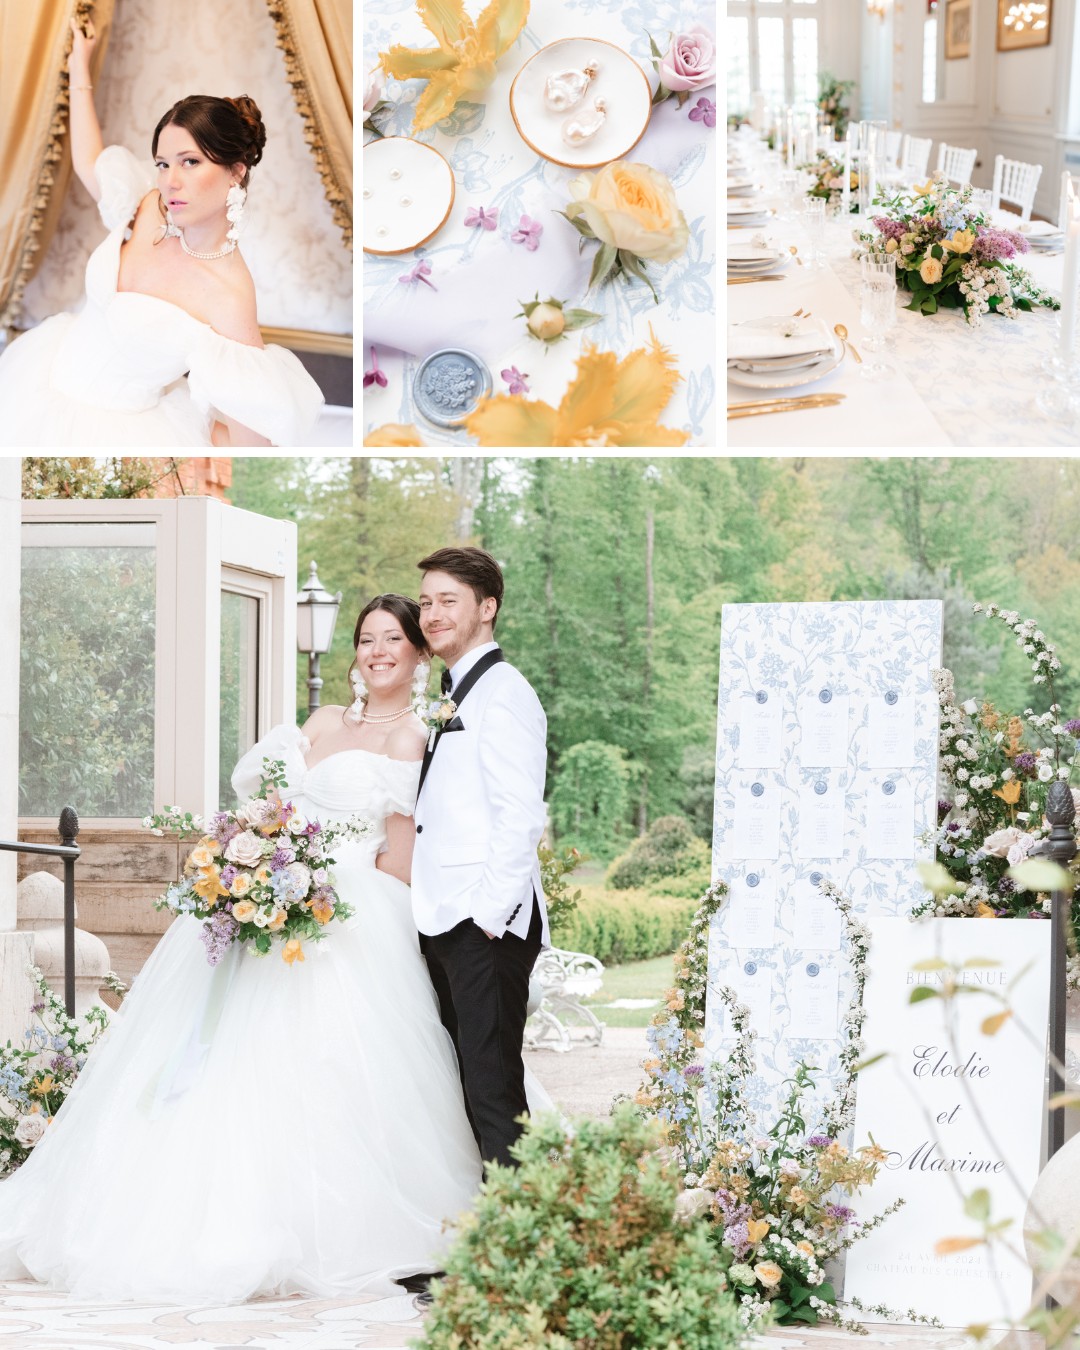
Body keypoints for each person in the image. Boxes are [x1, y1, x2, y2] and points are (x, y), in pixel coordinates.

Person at [0, 595, 485, 1302]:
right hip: (266, 895)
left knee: (322, 1059)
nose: (378, 651)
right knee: (206, 1051)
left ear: (416, 652)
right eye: (367, 639)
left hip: (348, 912)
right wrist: (254, 864)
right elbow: (275, 804)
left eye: (393, 639)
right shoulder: (321, 722)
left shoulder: (414, 736)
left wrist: (333, 897)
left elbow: (399, 858)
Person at [0, 19, 323, 448]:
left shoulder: (228, 295)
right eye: (163, 163)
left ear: (235, 172)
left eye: (190, 162)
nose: (171, 180)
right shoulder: (148, 205)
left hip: (117, 435)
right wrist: (80, 64)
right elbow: (89, 161)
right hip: (35, 379)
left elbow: (254, 441)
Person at [413, 546, 551, 1172]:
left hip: (484, 923)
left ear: (487, 608)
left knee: (494, 1090)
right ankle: (495, 1239)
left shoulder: (505, 693)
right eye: (425, 602)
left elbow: (520, 816)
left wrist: (488, 918)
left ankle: (522, 1246)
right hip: (447, 917)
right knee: (469, 1086)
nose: (432, 613)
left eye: (448, 600)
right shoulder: (455, 692)